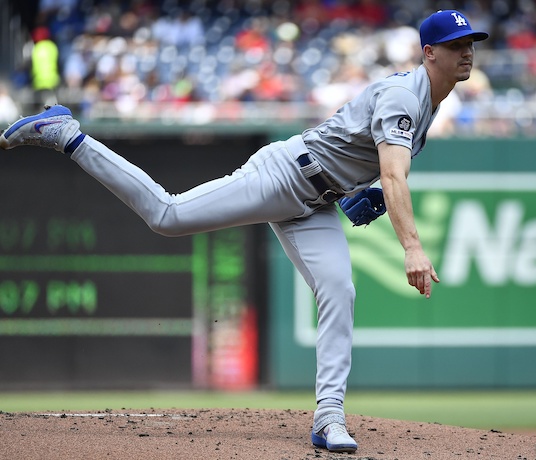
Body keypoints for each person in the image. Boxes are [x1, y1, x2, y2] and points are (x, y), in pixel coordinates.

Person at [0, 10, 488, 453]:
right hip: (284, 175)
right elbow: (394, 174)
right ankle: (69, 136)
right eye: (456, 44)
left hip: (315, 201)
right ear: (430, 52)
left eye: (471, 43)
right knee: (168, 217)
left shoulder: (429, 102)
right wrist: (412, 246)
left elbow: (374, 164)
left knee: (339, 290)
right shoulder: (406, 95)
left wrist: (361, 192)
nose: (467, 51)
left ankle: (329, 418)